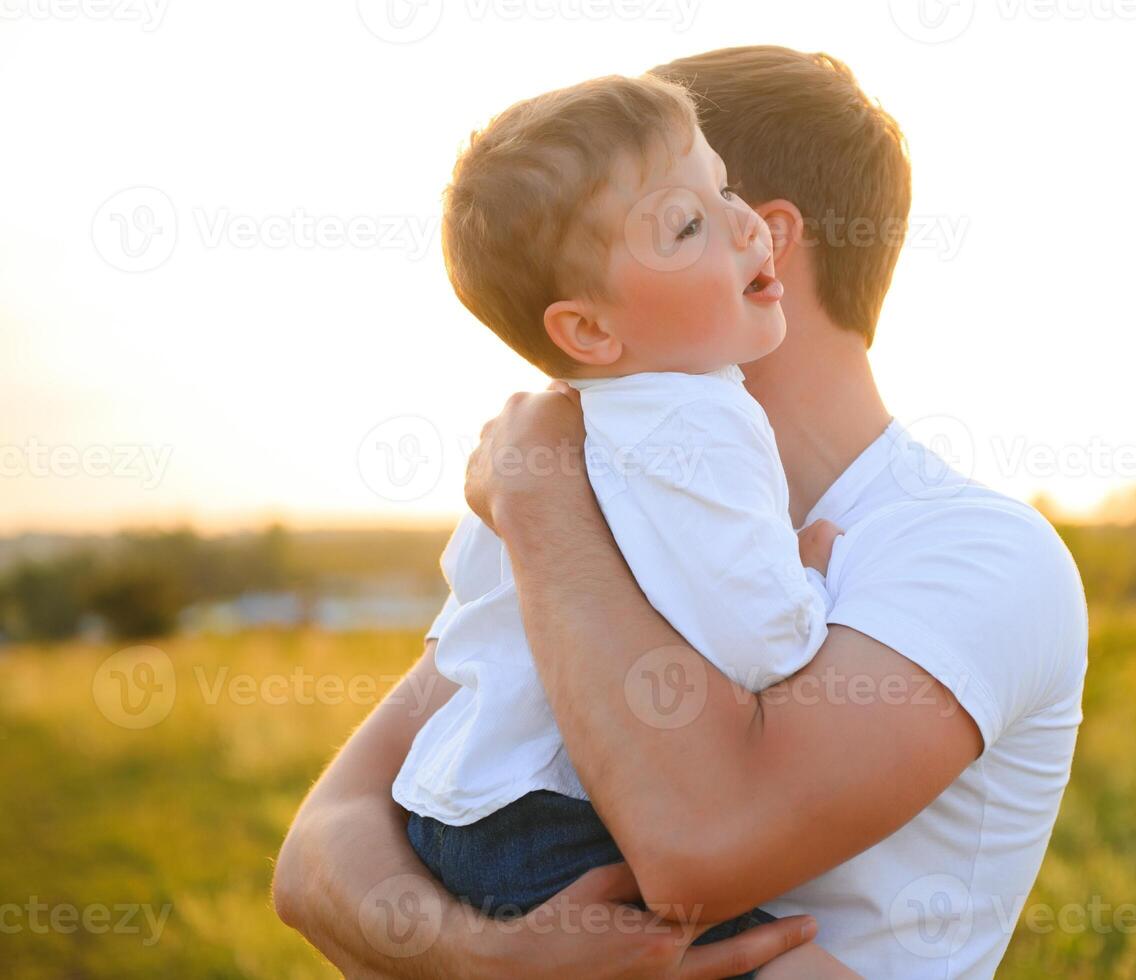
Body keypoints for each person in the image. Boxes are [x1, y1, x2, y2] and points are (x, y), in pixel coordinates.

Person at [274, 46, 1088, 978]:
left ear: (765, 241)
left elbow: (697, 849)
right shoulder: (587, 483)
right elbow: (320, 848)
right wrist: (481, 962)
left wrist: (539, 504)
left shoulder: (972, 552)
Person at [390, 70, 851, 978]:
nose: (740, 223)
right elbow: (765, 646)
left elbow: (479, 610)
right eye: (686, 226)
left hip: (450, 813)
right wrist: (809, 579)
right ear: (591, 331)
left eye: (721, 189)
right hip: (550, 827)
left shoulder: (554, 432)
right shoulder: (696, 418)